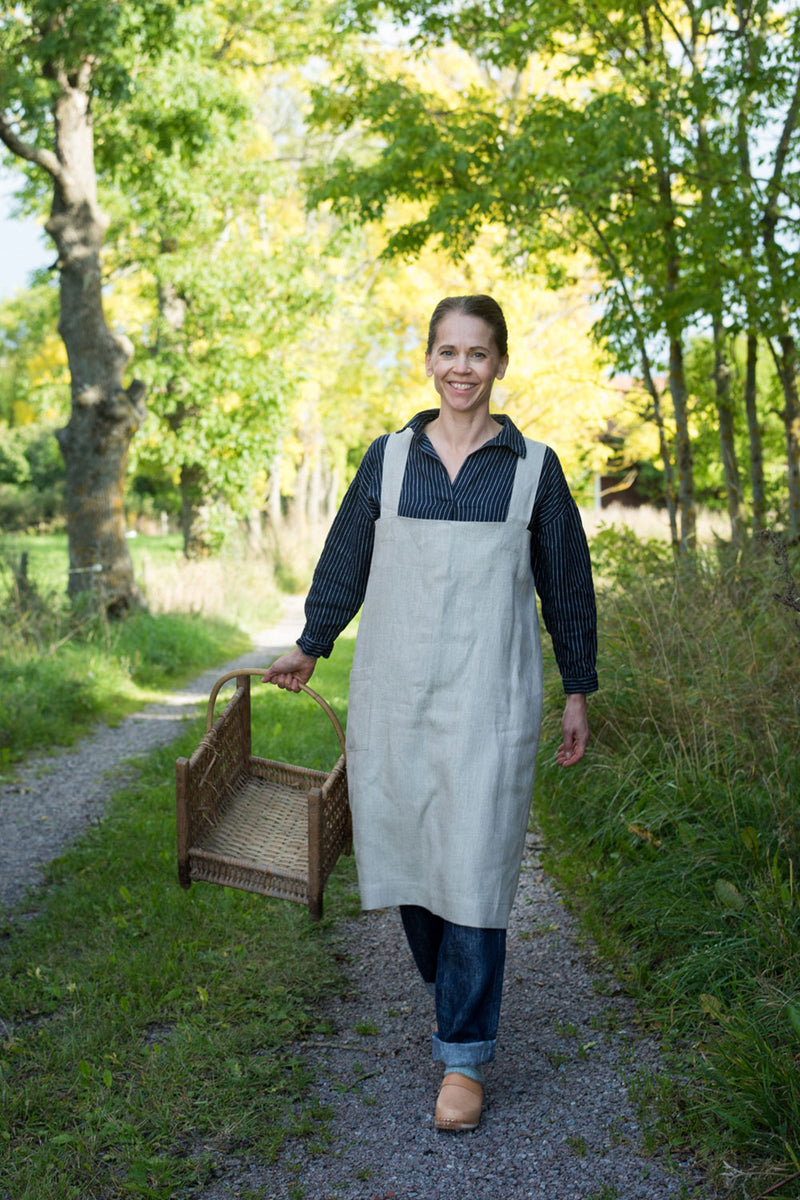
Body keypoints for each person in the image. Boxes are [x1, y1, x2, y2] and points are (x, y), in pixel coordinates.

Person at [263, 294, 597, 1132]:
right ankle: (452, 986)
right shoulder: (388, 459)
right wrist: (313, 641)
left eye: (476, 353)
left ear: (500, 364)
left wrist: (578, 690)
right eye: (446, 351)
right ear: (428, 360)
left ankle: (463, 1058)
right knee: (412, 861)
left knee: (476, 868)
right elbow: (346, 555)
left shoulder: (534, 468)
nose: (460, 368)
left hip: (493, 698)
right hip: (397, 695)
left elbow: (567, 586)